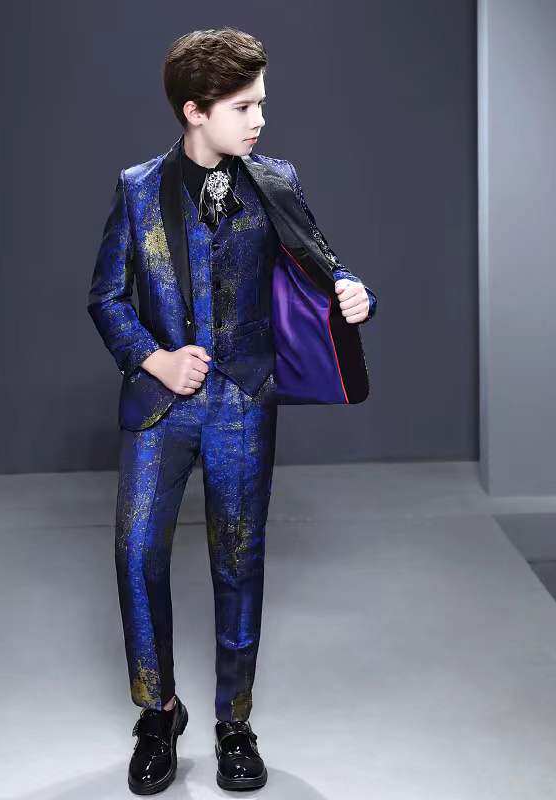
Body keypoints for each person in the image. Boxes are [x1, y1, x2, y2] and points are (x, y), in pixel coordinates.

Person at [87, 26, 377, 795]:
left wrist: (355, 292)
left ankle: (234, 724)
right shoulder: (138, 188)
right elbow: (107, 298)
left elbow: (327, 265)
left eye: (261, 104)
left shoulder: (276, 180)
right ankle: (158, 715)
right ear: (195, 110)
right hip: (160, 406)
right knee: (136, 555)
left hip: (243, 403)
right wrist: (154, 358)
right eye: (244, 107)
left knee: (238, 562)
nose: (259, 120)